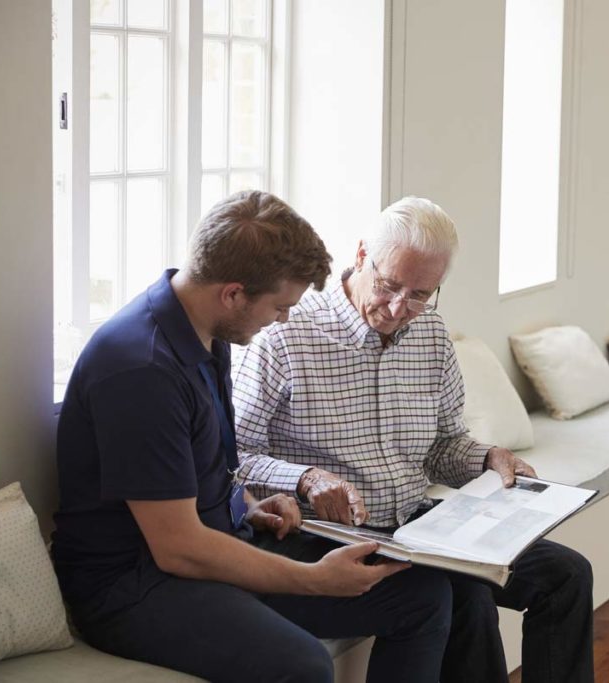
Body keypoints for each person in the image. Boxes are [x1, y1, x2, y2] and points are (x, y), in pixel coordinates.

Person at [51, 191, 452, 683]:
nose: (283, 319)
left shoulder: (207, 333)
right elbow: (177, 548)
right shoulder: (141, 368)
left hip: (207, 543)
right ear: (233, 293)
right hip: (133, 585)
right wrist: (314, 580)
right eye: (280, 306)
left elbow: (207, 465)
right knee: (301, 665)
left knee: (421, 598)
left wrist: (246, 504)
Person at [232, 196, 594, 683]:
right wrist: (305, 478)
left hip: (419, 526)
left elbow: (444, 445)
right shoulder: (284, 336)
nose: (401, 308)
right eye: (388, 286)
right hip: (326, 537)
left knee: (566, 576)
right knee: (467, 598)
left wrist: (487, 457)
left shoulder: (431, 335)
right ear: (361, 256)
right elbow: (233, 456)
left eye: (422, 294)